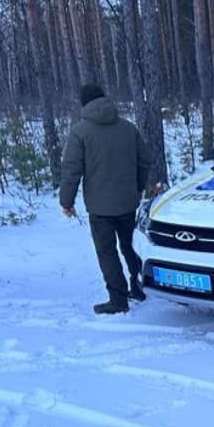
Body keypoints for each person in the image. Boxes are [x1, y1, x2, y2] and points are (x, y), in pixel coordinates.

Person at [60, 83, 153, 314]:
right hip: (127, 202)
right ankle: (138, 286)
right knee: (130, 246)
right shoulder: (128, 128)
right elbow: (145, 160)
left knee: (107, 252)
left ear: (83, 103)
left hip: (100, 207)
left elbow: (71, 170)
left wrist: (66, 201)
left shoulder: (80, 132)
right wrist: (137, 187)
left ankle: (118, 299)